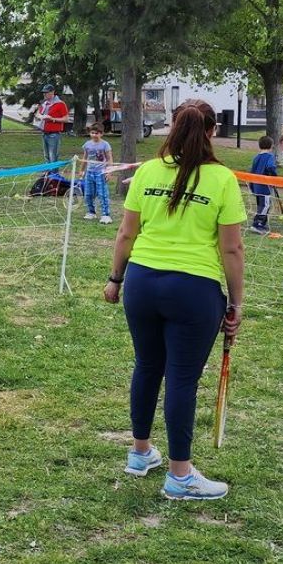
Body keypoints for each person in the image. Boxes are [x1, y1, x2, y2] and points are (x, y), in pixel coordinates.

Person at [103, 100, 245, 501]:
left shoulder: (148, 171)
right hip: (193, 290)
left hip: (142, 284)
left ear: (172, 126)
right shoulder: (222, 179)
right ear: (212, 131)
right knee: (181, 378)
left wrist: (115, 279)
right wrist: (237, 303)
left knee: (147, 366)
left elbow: (126, 234)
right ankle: (179, 476)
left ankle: (140, 453)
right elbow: (232, 249)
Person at [81, 123, 113, 224]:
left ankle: (106, 215)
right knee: (88, 193)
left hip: (101, 173)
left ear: (101, 134)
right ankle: (91, 212)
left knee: (102, 194)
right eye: (92, 133)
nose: (94, 135)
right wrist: (82, 170)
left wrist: (109, 172)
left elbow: (109, 158)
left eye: (97, 133)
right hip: (89, 172)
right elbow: (85, 158)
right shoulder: (87, 144)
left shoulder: (105, 145)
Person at [248, 135, 279, 234]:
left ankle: (262, 224)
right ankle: (257, 224)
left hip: (256, 186)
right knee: (265, 205)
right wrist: (274, 177)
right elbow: (270, 167)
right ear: (271, 146)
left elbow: (252, 172)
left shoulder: (256, 157)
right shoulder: (270, 156)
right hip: (264, 186)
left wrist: (251, 185)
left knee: (261, 205)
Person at [38, 83, 68, 163]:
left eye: (46, 92)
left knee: (53, 156)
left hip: (54, 134)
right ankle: (48, 170)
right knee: (46, 156)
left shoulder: (60, 104)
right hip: (44, 133)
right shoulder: (44, 104)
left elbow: (66, 119)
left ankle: (54, 171)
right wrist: (40, 116)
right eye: (44, 92)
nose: (44, 94)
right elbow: (39, 114)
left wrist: (52, 119)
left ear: (52, 92)